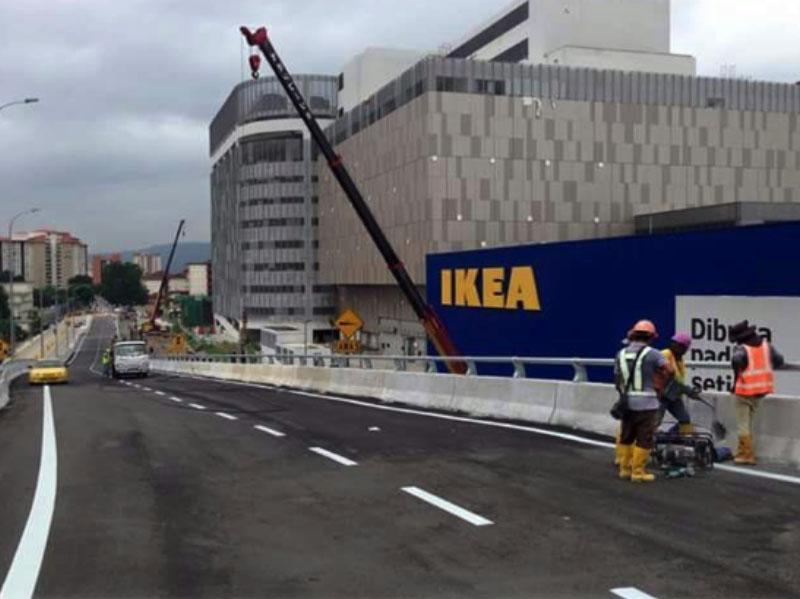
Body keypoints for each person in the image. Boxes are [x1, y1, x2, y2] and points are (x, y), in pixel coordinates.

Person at [615, 320, 674, 483]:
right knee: (644, 437)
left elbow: (617, 379)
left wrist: (623, 396)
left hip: (627, 403)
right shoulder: (653, 353)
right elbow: (670, 370)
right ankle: (638, 472)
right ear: (651, 337)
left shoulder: (621, 353)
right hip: (647, 403)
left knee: (626, 435)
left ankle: (624, 470)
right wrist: (661, 385)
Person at [729, 320, 784, 465]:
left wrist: (736, 380)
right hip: (761, 390)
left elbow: (736, 361)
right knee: (750, 421)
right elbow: (779, 361)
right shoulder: (767, 346)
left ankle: (746, 454)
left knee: (743, 423)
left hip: (745, 390)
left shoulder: (742, 349)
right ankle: (746, 450)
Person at [659, 331, 699, 435]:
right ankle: (648, 446)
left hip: (674, 395)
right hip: (661, 394)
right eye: (675, 343)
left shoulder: (680, 360)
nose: (683, 350)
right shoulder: (665, 354)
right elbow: (665, 375)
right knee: (655, 421)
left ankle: (677, 440)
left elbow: (679, 379)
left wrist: (687, 390)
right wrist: (686, 389)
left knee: (685, 419)